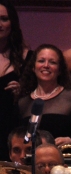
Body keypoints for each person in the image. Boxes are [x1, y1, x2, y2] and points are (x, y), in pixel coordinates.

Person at [18, 44, 71, 153]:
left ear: (60, 70)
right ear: (33, 67)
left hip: (65, 165)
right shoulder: (23, 102)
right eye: (41, 61)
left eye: (52, 62)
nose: (46, 65)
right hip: (33, 166)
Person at [0, 0, 31, 160]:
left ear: (12, 23)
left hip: (12, 130)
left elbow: (39, 97)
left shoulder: (28, 58)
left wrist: (23, 92)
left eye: (4, 19)